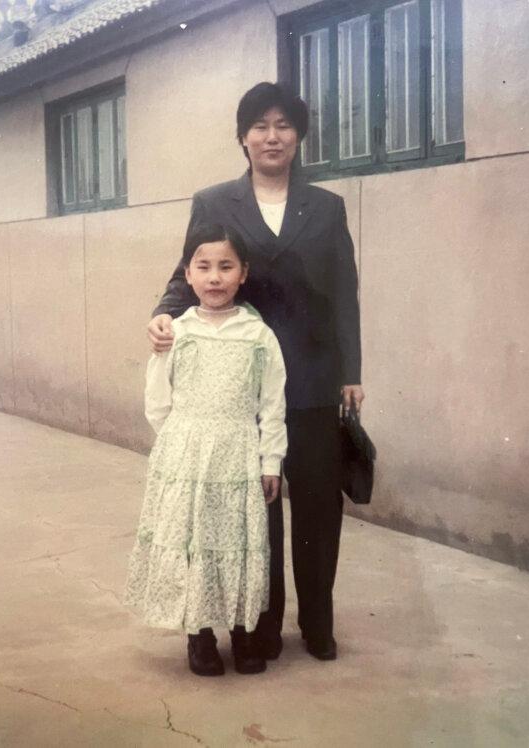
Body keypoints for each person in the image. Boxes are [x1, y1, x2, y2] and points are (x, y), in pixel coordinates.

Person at [148, 82, 364, 661]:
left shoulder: (326, 206)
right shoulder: (215, 201)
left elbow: (346, 292)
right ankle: (260, 627)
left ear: (298, 137)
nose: (273, 136)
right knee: (255, 513)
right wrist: (163, 317)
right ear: (242, 137)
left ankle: (317, 623)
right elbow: (184, 275)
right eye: (260, 126)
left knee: (318, 506)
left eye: (284, 126)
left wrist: (352, 370)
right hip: (241, 381)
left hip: (315, 380)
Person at [125, 223, 287, 677]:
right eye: (204, 267)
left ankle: (242, 631)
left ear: (243, 274)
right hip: (187, 454)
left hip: (238, 453)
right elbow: (158, 399)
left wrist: (270, 459)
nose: (215, 277)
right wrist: (180, 442)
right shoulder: (176, 332)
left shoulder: (258, 336)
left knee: (234, 542)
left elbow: (272, 404)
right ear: (188, 276)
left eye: (225, 267)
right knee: (195, 541)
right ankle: (199, 636)